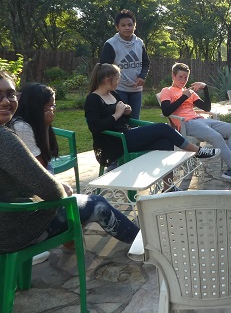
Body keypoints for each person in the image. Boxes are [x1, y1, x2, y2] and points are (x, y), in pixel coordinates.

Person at [0, 71, 140, 253]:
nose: (6, 101)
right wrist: (61, 190)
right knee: (98, 203)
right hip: (16, 233)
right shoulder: (5, 137)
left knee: (77, 198)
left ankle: (72, 242)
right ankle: (144, 243)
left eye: (11, 94)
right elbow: (50, 190)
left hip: (10, 224)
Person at [84, 64, 220, 190]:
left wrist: (126, 111)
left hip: (126, 135)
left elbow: (123, 119)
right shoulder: (93, 99)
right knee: (163, 128)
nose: (118, 82)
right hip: (115, 142)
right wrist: (117, 114)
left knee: (165, 142)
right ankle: (197, 151)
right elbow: (95, 127)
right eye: (117, 78)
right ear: (107, 80)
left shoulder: (113, 94)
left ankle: (168, 187)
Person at [159, 62, 231, 185]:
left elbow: (206, 108)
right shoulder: (167, 91)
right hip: (186, 124)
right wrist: (183, 97)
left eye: (185, 77)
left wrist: (205, 88)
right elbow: (166, 111)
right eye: (180, 77)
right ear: (173, 76)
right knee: (216, 136)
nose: (183, 80)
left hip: (201, 120)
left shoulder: (189, 92)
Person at [100, 9, 150, 119]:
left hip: (136, 89)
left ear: (134, 26)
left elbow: (146, 63)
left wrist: (142, 76)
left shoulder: (139, 43)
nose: (127, 28)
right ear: (117, 27)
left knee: (135, 120)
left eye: (130, 25)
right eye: (123, 25)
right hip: (119, 89)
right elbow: (104, 68)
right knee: (121, 119)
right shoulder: (111, 44)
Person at [9, 83, 59, 173]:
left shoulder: (31, 120)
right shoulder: (21, 127)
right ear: (37, 106)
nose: (53, 109)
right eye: (51, 106)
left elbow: (49, 155)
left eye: (54, 105)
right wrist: (46, 126)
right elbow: (42, 164)